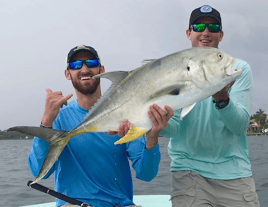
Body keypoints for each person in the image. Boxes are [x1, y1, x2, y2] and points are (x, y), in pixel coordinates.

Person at [119, 5, 259, 207]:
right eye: (199, 26)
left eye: (213, 27)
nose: (205, 32)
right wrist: (158, 124)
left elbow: (239, 126)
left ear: (221, 34)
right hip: (189, 172)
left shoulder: (237, 69)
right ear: (189, 33)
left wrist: (222, 98)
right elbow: (175, 128)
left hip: (235, 173)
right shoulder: (173, 70)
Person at [28, 45, 164, 207]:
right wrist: (46, 121)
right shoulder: (58, 118)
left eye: (91, 63)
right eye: (75, 65)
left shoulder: (125, 113)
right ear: (67, 73)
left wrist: (152, 137)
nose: (84, 69)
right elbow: (38, 172)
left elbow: (146, 174)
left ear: (102, 69)